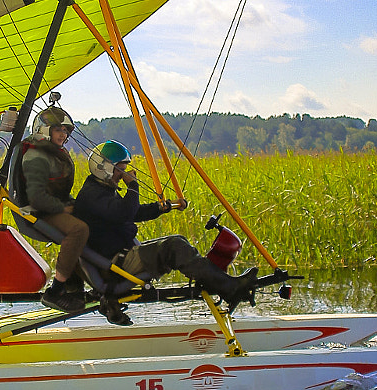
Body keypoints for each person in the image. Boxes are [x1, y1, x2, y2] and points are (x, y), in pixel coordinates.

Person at [73, 140, 258, 325]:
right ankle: (229, 288)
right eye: (120, 170)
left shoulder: (101, 191)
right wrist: (133, 186)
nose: (123, 175)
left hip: (120, 257)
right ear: (103, 168)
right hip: (115, 265)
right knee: (174, 247)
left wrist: (163, 207)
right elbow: (126, 212)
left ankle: (220, 283)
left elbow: (133, 212)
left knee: (178, 240)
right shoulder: (92, 195)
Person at [17, 98, 90, 312]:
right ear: (44, 130)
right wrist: (62, 208)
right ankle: (56, 291)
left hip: (53, 205)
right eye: (58, 129)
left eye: (65, 131)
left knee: (92, 218)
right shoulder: (36, 156)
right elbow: (37, 197)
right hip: (40, 211)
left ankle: (76, 287)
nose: (63, 135)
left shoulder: (53, 153)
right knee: (79, 229)